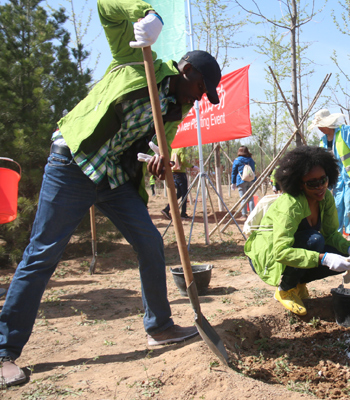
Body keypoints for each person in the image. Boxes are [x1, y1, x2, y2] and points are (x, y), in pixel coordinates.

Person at [0, 0, 222, 387]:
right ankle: (3, 350)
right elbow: (105, 7)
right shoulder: (136, 58)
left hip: (114, 179)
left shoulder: (175, 109)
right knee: (42, 255)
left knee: (151, 242)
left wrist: (162, 163)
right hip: (73, 165)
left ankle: (160, 326)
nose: (201, 98)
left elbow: (162, 150)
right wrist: (149, 15)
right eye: (202, 88)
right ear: (187, 71)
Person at [244, 146, 350, 316]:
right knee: (315, 241)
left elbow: (331, 234)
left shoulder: (325, 198)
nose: (320, 187)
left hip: (297, 247)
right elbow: (280, 252)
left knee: (339, 254)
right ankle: (285, 289)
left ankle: (297, 283)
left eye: (323, 180)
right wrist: (324, 258)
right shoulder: (290, 205)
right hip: (270, 255)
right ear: (299, 183)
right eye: (312, 183)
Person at [309, 109, 350, 242]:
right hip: (336, 177)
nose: (319, 128)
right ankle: (336, 232)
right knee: (336, 204)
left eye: (320, 125)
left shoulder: (345, 132)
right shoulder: (322, 141)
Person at [161, 147, 198, 220]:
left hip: (174, 173)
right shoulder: (181, 148)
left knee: (179, 193)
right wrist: (192, 166)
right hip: (181, 174)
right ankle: (183, 214)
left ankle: (167, 209)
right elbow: (183, 160)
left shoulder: (173, 148)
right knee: (184, 194)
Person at [231, 146, 256, 219]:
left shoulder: (237, 160)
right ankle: (252, 214)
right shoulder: (251, 160)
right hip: (251, 181)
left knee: (243, 198)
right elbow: (253, 170)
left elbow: (234, 172)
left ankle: (244, 214)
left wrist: (233, 182)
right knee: (251, 198)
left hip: (241, 181)